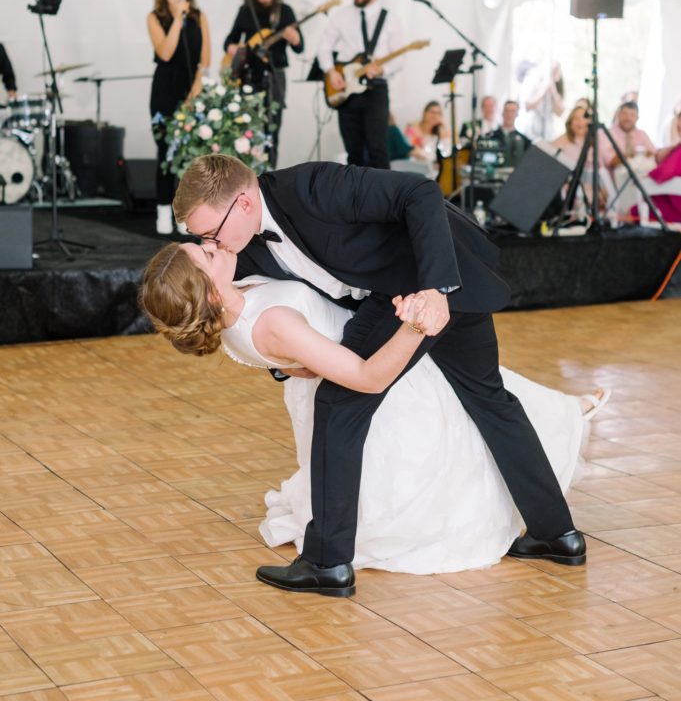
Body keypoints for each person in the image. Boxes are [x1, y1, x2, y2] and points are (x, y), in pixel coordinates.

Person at [172, 153, 586, 597]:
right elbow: (251, 315)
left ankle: (327, 562)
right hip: (398, 296)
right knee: (490, 397)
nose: (210, 242)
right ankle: (557, 534)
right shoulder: (241, 246)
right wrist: (282, 363)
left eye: (210, 232)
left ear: (245, 203)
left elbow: (419, 191)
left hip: (427, 283)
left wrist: (435, 289)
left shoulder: (313, 187)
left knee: (339, 405)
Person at [141, 240, 608, 576]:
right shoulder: (272, 322)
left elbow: (292, 352)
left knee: (482, 404)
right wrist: (414, 326)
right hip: (382, 369)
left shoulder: (235, 310)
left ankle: (567, 427)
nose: (209, 244)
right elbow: (366, 377)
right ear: (212, 292)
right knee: (469, 425)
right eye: (204, 254)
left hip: (361, 355)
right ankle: (567, 427)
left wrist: (292, 365)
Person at [317, 0, 404, 169]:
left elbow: (400, 58)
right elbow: (324, 48)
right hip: (347, 90)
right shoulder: (341, 15)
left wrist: (383, 69)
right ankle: (356, 200)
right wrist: (331, 72)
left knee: (378, 150)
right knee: (353, 153)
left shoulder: (390, 19)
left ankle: (383, 200)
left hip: (376, 89)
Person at [147, 0, 211, 235]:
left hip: (192, 88)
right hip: (165, 88)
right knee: (166, 152)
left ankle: (186, 214)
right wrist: (176, 18)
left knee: (191, 153)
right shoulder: (155, 17)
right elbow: (165, 52)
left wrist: (198, 84)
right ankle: (163, 211)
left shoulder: (198, 15)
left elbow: (205, 55)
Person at [221, 0, 304, 168]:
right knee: (245, 128)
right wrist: (233, 49)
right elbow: (229, 40)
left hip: (275, 74)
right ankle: (245, 172)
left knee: (272, 129)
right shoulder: (245, 11)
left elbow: (300, 48)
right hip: (249, 76)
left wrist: (295, 39)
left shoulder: (284, 12)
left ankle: (270, 174)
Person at [600, 101, 656, 170]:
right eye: (624, 114)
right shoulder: (607, 134)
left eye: (632, 115)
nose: (628, 118)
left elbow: (654, 154)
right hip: (617, 177)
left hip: (640, 175)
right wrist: (636, 154)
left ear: (637, 118)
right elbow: (611, 161)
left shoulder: (642, 134)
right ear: (618, 115)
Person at [521, 61, 565, 140]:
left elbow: (560, 112)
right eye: (553, 70)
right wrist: (543, 90)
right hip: (532, 130)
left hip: (548, 132)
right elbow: (528, 106)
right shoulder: (533, 81)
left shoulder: (557, 88)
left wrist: (553, 91)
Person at [404, 100, 452, 174]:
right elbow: (411, 151)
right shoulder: (413, 129)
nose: (435, 116)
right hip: (418, 168)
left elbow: (448, 150)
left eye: (438, 113)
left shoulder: (442, 131)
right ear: (424, 113)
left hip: (437, 169)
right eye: (432, 112)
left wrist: (443, 128)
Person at [490, 100, 530, 168]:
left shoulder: (525, 140)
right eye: (507, 111)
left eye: (513, 111)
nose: (509, 114)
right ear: (502, 113)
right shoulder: (491, 136)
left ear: (517, 114)